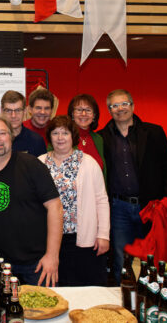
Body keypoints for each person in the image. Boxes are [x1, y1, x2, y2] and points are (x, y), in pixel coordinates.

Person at [0, 113, 62, 286]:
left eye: (3, 133)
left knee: (44, 309)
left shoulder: (32, 165)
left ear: (11, 138)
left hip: (37, 261)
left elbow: (55, 207)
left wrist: (52, 256)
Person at [98, 89, 167, 284]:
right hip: (119, 208)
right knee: (121, 258)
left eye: (124, 104)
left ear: (133, 105)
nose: (120, 109)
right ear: (109, 110)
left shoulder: (154, 132)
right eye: (114, 105)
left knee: (155, 258)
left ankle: (155, 299)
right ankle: (124, 303)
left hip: (151, 206)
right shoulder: (102, 137)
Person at [38, 116, 110, 286]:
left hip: (83, 239)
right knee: (55, 288)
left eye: (65, 133)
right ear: (50, 137)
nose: (60, 137)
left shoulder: (89, 163)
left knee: (86, 288)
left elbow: (101, 200)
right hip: (49, 239)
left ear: (73, 136)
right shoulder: (39, 163)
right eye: (55, 133)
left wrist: (104, 235)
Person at [0, 91, 46, 158]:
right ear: (1, 110)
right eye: (8, 110)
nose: (13, 115)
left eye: (18, 110)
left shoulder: (36, 141)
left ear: (25, 111)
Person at [67, 94, 106, 176]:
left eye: (88, 110)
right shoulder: (62, 138)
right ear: (72, 114)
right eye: (79, 110)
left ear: (94, 115)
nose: (84, 114)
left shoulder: (98, 139)